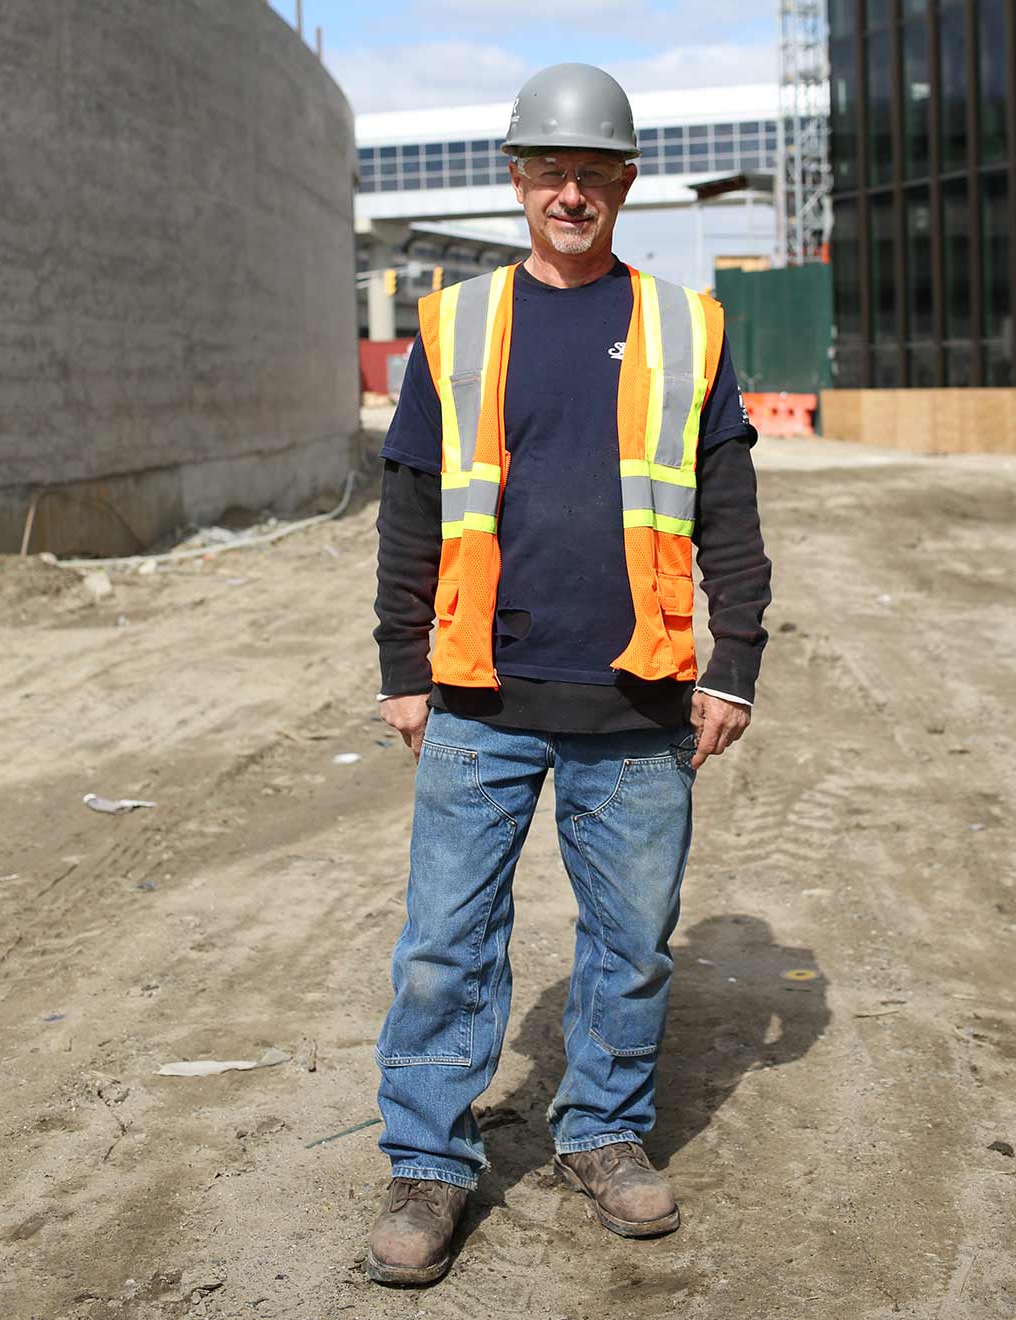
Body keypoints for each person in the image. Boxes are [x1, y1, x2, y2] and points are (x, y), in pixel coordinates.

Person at [363, 63, 774, 1285]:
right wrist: (401, 664)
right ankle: (430, 1163)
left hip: (639, 696)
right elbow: (411, 503)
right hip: (481, 692)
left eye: (594, 172)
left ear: (626, 183)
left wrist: (735, 659)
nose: (572, 191)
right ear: (518, 178)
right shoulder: (458, 321)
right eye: (551, 170)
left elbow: (730, 507)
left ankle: (600, 1132)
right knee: (444, 940)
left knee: (633, 941)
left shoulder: (689, 326)